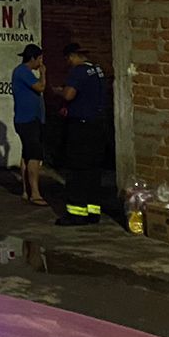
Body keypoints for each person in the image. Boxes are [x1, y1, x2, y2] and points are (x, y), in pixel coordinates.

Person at [55, 41, 107, 226]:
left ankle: (76, 213)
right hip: (98, 125)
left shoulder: (78, 71)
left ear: (72, 56)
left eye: (68, 59)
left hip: (81, 127)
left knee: (77, 170)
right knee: (92, 170)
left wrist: (59, 92)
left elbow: (69, 94)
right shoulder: (97, 70)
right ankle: (93, 211)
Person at [12, 44, 47, 205]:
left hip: (31, 119)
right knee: (34, 155)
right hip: (27, 120)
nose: (40, 62)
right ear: (32, 58)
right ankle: (35, 193)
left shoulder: (24, 73)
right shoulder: (23, 72)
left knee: (27, 154)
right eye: (39, 58)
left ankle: (27, 191)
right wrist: (43, 75)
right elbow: (40, 87)